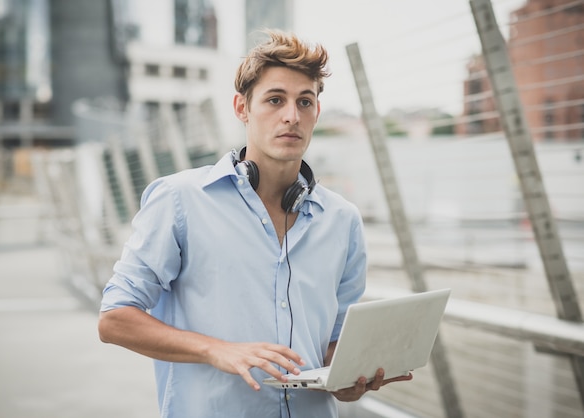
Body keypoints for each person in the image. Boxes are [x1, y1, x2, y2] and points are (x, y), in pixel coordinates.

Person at [98, 30, 412, 418]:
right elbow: (115, 319)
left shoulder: (343, 221)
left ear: (316, 111)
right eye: (275, 100)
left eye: (305, 101)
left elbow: (333, 345)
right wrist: (216, 349)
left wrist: (351, 378)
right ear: (242, 108)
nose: (291, 116)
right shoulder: (179, 200)